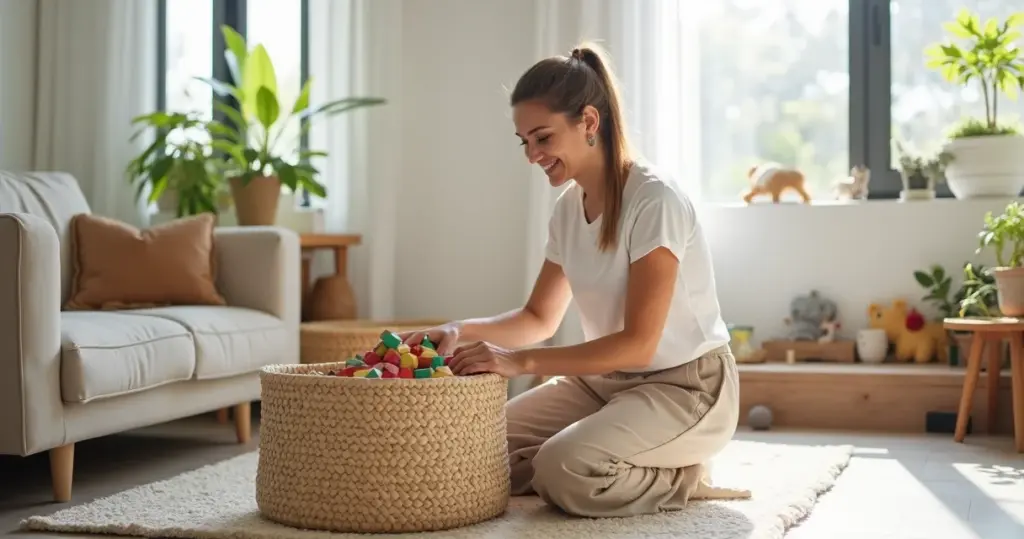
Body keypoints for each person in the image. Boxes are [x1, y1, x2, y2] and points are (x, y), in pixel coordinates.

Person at [400, 43, 747, 518]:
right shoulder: (568, 209)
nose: (532, 155)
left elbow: (639, 345)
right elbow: (537, 317)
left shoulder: (655, 200)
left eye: (542, 138)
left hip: (687, 389)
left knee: (562, 468)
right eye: (524, 142)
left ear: (588, 121)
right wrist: (459, 329)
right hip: (601, 383)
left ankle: (683, 474)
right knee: (470, 446)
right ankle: (608, 454)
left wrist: (519, 362)